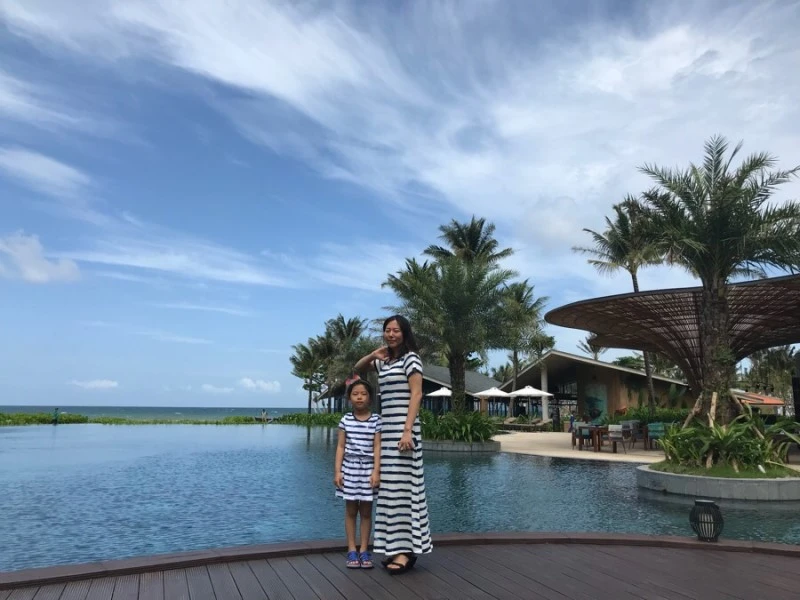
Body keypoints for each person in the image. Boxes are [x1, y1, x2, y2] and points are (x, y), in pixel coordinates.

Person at [353, 314, 432, 575]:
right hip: (387, 432)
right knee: (390, 493)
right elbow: (357, 369)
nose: (391, 334)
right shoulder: (384, 362)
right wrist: (373, 354)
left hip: (404, 432)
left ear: (404, 333)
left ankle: (406, 552)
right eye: (387, 330)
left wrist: (407, 431)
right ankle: (396, 548)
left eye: (396, 330)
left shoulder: (411, 359)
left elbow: (417, 394)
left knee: (405, 491)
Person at [334, 378, 382, 569]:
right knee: (351, 510)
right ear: (349, 398)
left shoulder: (376, 420)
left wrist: (377, 471)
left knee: (367, 512)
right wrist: (337, 471)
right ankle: (351, 549)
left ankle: (364, 550)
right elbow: (340, 447)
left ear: (370, 398)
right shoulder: (345, 420)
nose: (359, 397)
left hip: (368, 469)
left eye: (363, 394)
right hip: (350, 468)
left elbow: (377, 447)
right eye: (355, 394)